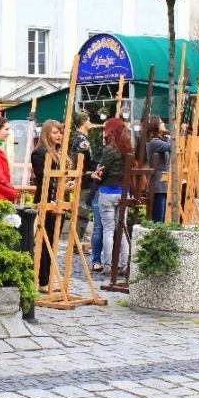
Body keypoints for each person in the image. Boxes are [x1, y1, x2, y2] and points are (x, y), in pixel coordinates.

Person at [31, 120, 69, 294]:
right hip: (46, 199)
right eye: (55, 132)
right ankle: (43, 280)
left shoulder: (59, 152)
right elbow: (44, 177)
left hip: (59, 200)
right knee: (43, 241)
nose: (59, 135)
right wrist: (62, 184)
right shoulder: (40, 153)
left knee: (53, 241)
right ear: (47, 133)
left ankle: (48, 277)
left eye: (60, 132)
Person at [91, 118, 133, 276]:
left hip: (108, 192)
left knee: (108, 230)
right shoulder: (129, 149)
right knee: (121, 230)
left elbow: (103, 172)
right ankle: (124, 266)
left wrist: (95, 175)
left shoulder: (109, 150)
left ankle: (107, 266)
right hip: (123, 192)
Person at [68, 111, 95, 242]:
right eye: (89, 120)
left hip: (80, 175)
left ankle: (76, 240)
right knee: (82, 209)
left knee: (81, 208)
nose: (90, 123)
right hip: (84, 176)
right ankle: (76, 241)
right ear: (84, 122)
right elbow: (81, 158)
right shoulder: (81, 139)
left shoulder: (74, 136)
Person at [145, 115, 171, 223]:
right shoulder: (154, 142)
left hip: (162, 183)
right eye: (161, 122)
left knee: (162, 215)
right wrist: (177, 133)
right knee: (159, 217)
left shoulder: (160, 140)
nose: (164, 123)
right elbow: (172, 147)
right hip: (158, 184)